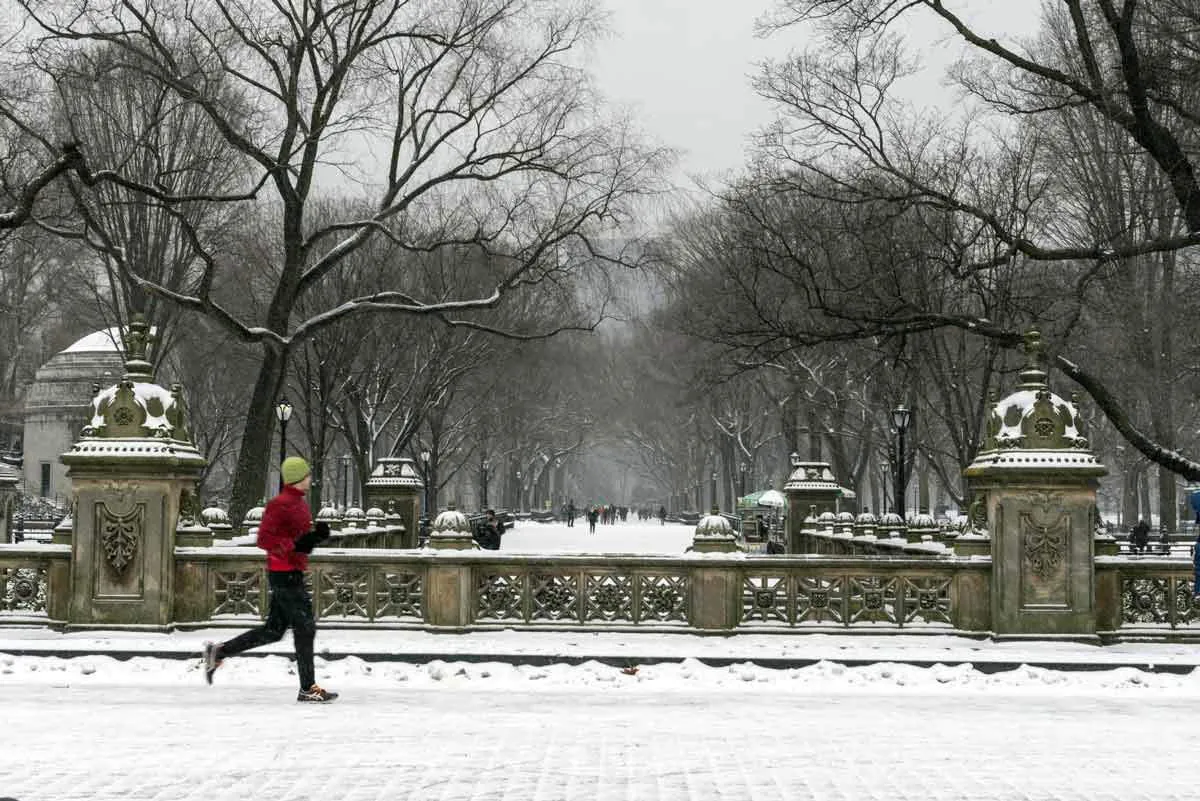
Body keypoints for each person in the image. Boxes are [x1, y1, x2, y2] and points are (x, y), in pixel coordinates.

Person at [202, 457, 337, 703]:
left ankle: (219, 652)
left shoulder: (299, 504)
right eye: (307, 475)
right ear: (297, 478)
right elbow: (265, 540)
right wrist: (297, 544)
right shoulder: (279, 504)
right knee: (305, 628)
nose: (310, 478)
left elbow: (298, 542)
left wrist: (315, 537)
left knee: (273, 631)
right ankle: (307, 687)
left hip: (292, 571)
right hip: (283, 574)